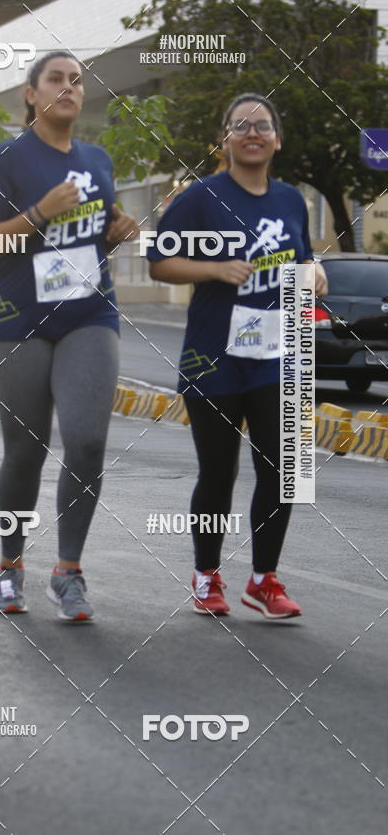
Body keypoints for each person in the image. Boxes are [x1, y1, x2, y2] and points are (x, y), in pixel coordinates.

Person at [0, 50, 137, 622]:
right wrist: (39, 211)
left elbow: (91, 240)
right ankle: (10, 566)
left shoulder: (98, 159)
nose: (69, 87)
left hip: (89, 312)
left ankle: (68, 573)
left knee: (87, 441)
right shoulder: (9, 158)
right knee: (27, 449)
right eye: (56, 79)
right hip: (17, 315)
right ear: (32, 95)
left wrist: (116, 233)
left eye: (77, 80)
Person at [148, 93, 328, 620]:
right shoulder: (202, 197)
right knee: (218, 473)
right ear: (224, 139)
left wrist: (315, 271)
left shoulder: (291, 199)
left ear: (277, 138)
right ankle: (206, 575)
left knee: (283, 469)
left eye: (263, 126)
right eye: (241, 126)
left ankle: (263, 579)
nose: (253, 133)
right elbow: (160, 260)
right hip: (215, 357)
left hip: (279, 355)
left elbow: (303, 255)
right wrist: (214, 269)